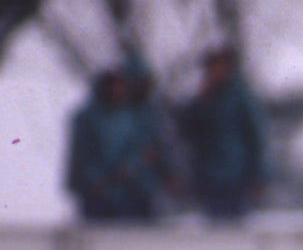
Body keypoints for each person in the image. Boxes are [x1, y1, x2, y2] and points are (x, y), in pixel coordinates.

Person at [66, 66, 166, 220]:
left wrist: (131, 166)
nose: (119, 92)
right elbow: (82, 154)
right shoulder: (87, 118)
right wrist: (96, 179)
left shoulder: (131, 117)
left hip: (127, 189)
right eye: (115, 88)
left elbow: (139, 148)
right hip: (95, 191)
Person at [181, 48, 269, 220]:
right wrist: (199, 102)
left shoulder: (242, 97)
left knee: (235, 227)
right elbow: (188, 132)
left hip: (237, 176)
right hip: (208, 176)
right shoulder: (204, 98)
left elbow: (256, 137)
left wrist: (259, 176)